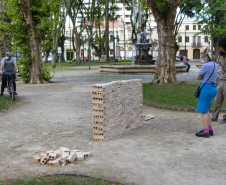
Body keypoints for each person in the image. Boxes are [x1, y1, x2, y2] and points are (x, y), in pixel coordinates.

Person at [195, 47, 218, 138]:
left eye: (202, 57)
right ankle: (210, 129)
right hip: (213, 88)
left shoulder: (206, 65)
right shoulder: (215, 64)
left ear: (206, 56)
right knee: (207, 109)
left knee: (203, 111)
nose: (202, 58)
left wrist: (200, 76)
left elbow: (197, 77)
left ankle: (205, 132)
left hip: (206, 89)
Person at [211, 38, 226, 122]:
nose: (221, 50)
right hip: (220, 81)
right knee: (217, 100)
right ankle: (214, 116)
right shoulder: (221, 56)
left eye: (223, 49)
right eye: (220, 49)